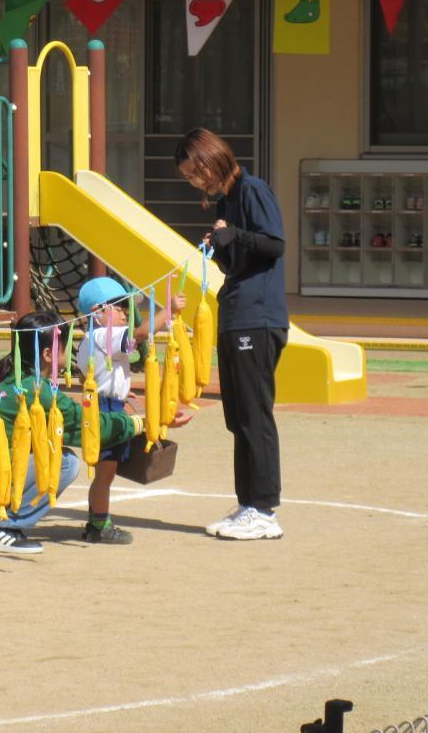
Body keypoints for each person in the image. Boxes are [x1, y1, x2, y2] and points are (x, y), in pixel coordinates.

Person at [0, 310, 147, 555]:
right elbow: (88, 427)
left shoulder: (15, 378)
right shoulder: (35, 390)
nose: (69, 351)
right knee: (65, 462)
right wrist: (138, 424)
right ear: (47, 354)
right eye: (65, 345)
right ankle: (4, 528)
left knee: (42, 447)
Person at [176, 127, 289, 542]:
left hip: (258, 317)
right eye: (189, 178)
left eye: (195, 172)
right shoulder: (225, 202)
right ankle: (248, 504)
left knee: (255, 413)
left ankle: (265, 509)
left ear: (210, 160)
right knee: (238, 417)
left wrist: (235, 234)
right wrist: (222, 245)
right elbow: (237, 263)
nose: (195, 182)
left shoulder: (252, 190)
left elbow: (275, 245)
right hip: (236, 313)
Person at [74, 276, 184, 544]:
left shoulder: (91, 338)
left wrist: (119, 390)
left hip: (104, 402)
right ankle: (99, 524)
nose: (125, 312)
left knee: (106, 470)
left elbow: (84, 375)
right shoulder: (104, 334)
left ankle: (96, 521)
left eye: (125, 307)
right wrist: (168, 310)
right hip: (105, 408)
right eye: (118, 307)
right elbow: (141, 334)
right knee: (106, 471)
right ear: (97, 312)